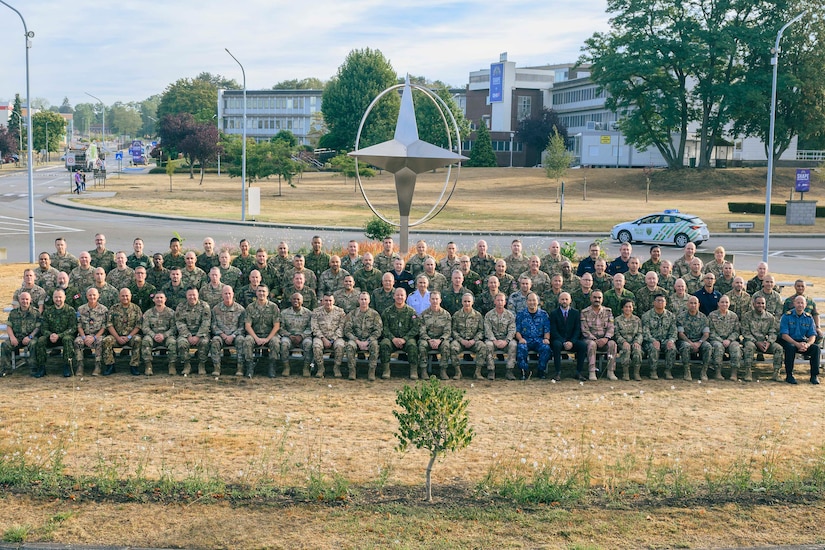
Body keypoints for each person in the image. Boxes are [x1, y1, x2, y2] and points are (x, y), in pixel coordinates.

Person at [740, 295, 784, 382]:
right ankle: (748, 372)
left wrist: (769, 342)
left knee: (778, 348)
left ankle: (776, 373)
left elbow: (773, 332)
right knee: (749, 346)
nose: (760, 305)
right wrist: (756, 342)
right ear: (754, 304)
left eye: (762, 303)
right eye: (758, 303)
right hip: (751, 341)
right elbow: (745, 332)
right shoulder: (747, 316)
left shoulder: (770, 317)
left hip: (765, 343)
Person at [779, 295, 821, 385]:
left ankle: (814, 376)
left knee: (816, 349)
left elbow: (812, 335)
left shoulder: (809, 318)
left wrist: (807, 345)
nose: (800, 305)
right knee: (790, 348)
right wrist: (796, 344)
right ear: (794, 303)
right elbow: (784, 335)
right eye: (798, 303)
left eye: (802, 303)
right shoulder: (786, 316)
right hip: (789, 341)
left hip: (802, 342)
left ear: (805, 305)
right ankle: (789, 375)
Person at [379, 287, 419, 380]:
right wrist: (393, 338)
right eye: (397, 295)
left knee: (412, 345)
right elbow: (384, 328)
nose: (399, 297)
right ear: (394, 296)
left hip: (406, 339)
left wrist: (404, 339)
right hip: (391, 339)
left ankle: (413, 370)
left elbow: (415, 328)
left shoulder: (411, 312)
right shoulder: (387, 312)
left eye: (402, 295)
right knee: (384, 344)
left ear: (405, 297)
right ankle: (386, 370)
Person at [35, 288, 76, 377]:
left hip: (64, 337)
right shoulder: (48, 311)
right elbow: (43, 328)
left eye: (60, 297)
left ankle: (67, 366)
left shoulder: (70, 310)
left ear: (64, 297)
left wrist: (59, 335)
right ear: (53, 298)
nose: (58, 299)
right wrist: (50, 335)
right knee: (41, 340)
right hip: (51, 337)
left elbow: (72, 328)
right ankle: (41, 367)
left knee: (67, 339)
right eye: (56, 297)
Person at [210, 285, 249, 377]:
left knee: (241, 340)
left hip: (235, 336)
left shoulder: (240, 309)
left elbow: (242, 327)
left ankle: (240, 368)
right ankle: (216, 367)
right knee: (215, 341)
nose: (228, 296)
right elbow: (213, 326)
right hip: (221, 335)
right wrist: (223, 335)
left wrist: (233, 336)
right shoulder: (216, 309)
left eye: (229, 293)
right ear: (222, 295)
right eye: (225, 294)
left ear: (233, 294)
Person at [103, 287, 143, 376]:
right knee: (106, 341)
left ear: (131, 296)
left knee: (137, 340)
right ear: (119, 297)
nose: (125, 298)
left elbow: (138, 325)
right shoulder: (113, 308)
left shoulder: (136, 308)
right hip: (116, 336)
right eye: (123, 296)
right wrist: (117, 337)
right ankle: (110, 366)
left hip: (131, 336)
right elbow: (109, 324)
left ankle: (134, 366)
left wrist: (129, 337)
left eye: (127, 296)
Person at [344, 292, 383, 380]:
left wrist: (367, 341)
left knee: (375, 345)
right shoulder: (352, 314)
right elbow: (347, 330)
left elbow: (378, 330)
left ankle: (371, 371)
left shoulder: (374, 314)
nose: (363, 301)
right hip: (355, 340)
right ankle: (352, 371)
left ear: (369, 301)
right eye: (362, 299)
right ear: (358, 301)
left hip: (369, 340)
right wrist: (357, 341)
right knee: (350, 346)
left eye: (365, 299)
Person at [243, 286, 281, 378]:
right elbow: (247, 326)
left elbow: (277, 325)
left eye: (263, 291)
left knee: (275, 342)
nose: (261, 293)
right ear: (256, 293)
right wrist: (256, 338)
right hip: (255, 335)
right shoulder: (250, 307)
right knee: (248, 341)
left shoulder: (273, 307)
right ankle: (249, 368)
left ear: (267, 293)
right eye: (259, 291)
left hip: (270, 335)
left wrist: (268, 339)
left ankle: (272, 367)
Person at [550, 292, 588, 380]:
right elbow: (553, 330)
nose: (564, 301)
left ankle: (579, 372)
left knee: (582, 346)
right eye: (562, 299)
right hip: (559, 340)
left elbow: (577, 329)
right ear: (559, 300)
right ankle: (557, 372)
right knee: (556, 345)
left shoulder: (575, 313)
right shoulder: (554, 313)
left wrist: (571, 342)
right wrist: (563, 342)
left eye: (566, 299)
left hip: (572, 340)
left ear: (570, 301)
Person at [580, 290, 617, 380]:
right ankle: (592, 372)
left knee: (612, 344)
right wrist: (595, 340)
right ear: (590, 298)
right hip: (590, 339)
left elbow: (611, 327)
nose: (597, 299)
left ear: (602, 299)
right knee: (592, 344)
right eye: (595, 297)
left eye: (599, 297)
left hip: (605, 339)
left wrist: (606, 338)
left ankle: (610, 371)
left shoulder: (608, 311)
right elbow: (584, 330)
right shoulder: (584, 312)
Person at [450, 293, 488, 380]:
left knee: (482, 346)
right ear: (462, 302)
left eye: (469, 301)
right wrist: (460, 340)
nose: (467, 303)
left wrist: (474, 340)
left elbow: (481, 331)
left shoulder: (478, 316)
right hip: (460, 341)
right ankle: (458, 372)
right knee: (453, 347)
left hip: (473, 341)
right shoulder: (456, 315)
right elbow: (453, 331)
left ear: (472, 302)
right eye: (465, 301)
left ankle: (478, 372)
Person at [175, 287, 212, 376]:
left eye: (194, 295)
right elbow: (179, 322)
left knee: (204, 342)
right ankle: (187, 365)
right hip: (186, 334)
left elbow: (206, 322)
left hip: (201, 334)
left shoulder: (204, 306)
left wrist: (198, 336)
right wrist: (188, 336)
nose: (192, 297)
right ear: (186, 296)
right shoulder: (181, 306)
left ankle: (201, 364)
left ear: (198, 295)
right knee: (182, 343)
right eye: (190, 295)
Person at [74, 287, 110, 377]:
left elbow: (104, 326)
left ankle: (98, 366)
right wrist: (84, 337)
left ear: (98, 296)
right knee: (77, 342)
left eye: (94, 295)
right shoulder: (81, 309)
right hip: (84, 335)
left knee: (100, 341)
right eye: (90, 295)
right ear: (86, 296)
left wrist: (94, 337)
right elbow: (79, 325)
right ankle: (80, 365)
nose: (92, 297)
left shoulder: (104, 309)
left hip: (98, 335)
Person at [2, 292, 40, 376]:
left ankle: (34, 367)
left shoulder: (35, 313)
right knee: (5, 345)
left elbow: (38, 328)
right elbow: (9, 326)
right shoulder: (13, 313)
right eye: (22, 299)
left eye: (27, 299)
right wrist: (12, 337)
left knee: (34, 344)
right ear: (19, 300)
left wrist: (30, 337)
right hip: (17, 338)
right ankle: (6, 369)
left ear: (30, 300)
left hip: (30, 337)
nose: (24, 301)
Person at [515, 292, 551, 380]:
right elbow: (517, 331)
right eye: (530, 300)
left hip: (539, 339)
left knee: (546, 348)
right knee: (521, 348)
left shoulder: (543, 314)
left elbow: (547, 330)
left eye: (534, 300)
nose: (532, 302)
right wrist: (520, 339)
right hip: (525, 339)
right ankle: (524, 371)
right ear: (526, 302)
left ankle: (541, 371)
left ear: (538, 301)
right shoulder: (521, 314)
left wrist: (546, 338)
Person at [141, 291, 178, 376]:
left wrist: (164, 335)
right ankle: (148, 365)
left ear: (165, 299)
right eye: (157, 298)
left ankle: (172, 365)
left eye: (161, 298)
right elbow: (145, 327)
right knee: (146, 340)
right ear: (153, 300)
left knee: (172, 342)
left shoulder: (171, 313)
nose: (159, 299)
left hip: (166, 337)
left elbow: (174, 328)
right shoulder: (148, 313)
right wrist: (154, 335)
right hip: (153, 336)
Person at [642, 294, 678, 380]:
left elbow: (673, 331)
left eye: (662, 301)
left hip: (665, 340)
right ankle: (653, 371)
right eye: (658, 300)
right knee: (653, 348)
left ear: (665, 303)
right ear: (654, 303)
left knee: (672, 348)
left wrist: (671, 340)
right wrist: (653, 340)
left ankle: (668, 371)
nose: (660, 302)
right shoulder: (646, 316)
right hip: (651, 341)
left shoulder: (671, 316)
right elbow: (645, 332)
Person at [418, 291, 452, 380]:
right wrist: (429, 340)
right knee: (422, 345)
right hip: (427, 339)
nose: (435, 301)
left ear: (440, 300)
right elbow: (422, 331)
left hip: (440, 340)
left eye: (436, 299)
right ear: (429, 300)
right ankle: (423, 371)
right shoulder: (424, 314)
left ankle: (443, 370)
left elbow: (447, 332)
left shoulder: (446, 315)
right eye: (433, 299)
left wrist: (440, 340)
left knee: (446, 346)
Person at [311, 294, 346, 378]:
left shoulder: (340, 312)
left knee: (340, 345)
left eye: (330, 300)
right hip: (321, 337)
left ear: (333, 301)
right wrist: (323, 339)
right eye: (326, 300)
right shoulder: (316, 312)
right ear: (322, 301)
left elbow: (342, 327)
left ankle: (336, 367)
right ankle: (320, 368)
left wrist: (333, 339)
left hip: (336, 337)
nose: (328, 302)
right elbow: (314, 327)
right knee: (316, 345)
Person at [677, 296, 712, 381]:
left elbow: (706, 334)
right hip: (685, 341)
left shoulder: (703, 318)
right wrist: (690, 343)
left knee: (708, 346)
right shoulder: (681, 317)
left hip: (699, 341)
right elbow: (681, 334)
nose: (693, 305)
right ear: (687, 304)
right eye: (691, 303)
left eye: (695, 303)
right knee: (685, 346)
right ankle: (687, 371)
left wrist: (699, 343)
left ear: (698, 305)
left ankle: (704, 371)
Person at [278, 292, 313, 377]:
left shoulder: (308, 313)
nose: (296, 301)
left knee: (308, 344)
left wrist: (302, 336)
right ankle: (286, 367)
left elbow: (311, 328)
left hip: (303, 337)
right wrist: (289, 335)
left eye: (298, 299)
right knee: (284, 343)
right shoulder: (284, 313)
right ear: (291, 300)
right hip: (289, 337)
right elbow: (281, 328)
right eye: (294, 299)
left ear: (302, 301)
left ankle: (306, 368)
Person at [485, 292, 517, 380]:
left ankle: (509, 371)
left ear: (505, 302)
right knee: (488, 345)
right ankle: (491, 371)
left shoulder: (510, 315)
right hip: (493, 340)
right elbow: (488, 330)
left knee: (513, 345)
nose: (500, 302)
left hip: (505, 340)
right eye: (498, 300)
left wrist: (506, 341)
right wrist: (494, 340)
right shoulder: (489, 315)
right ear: (494, 301)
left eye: (502, 300)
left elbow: (512, 330)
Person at [708, 295, 741, 381]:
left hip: (730, 340)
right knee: (718, 347)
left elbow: (737, 331)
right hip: (717, 340)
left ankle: (734, 373)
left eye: (726, 302)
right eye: (722, 302)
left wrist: (729, 340)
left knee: (736, 347)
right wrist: (721, 341)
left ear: (729, 304)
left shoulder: (734, 316)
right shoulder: (712, 315)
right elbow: (710, 331)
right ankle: (718, 372)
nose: (724, 304)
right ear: (718, 303)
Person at [782, 280, 823, 345]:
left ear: (805, 287)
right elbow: (784, 315)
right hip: (793, 326)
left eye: (802, 286)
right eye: (798, 286)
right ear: (795, 287)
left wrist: (817, 327)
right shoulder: (789, 300)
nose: (800, 288)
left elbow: (815, 314)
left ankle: (809, 350)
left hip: (807, 326)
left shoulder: (810, 301)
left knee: (819, 335)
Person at [614, 299, 643, 381]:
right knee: (626, 349)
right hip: (622, 343)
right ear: (622, 308)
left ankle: (636, 373)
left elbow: (640, 333)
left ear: (633, 308)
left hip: (634, 342)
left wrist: (637, 342)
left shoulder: (637, 320)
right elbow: (616, 334)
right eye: (626, 307)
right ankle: (625, 373)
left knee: (637, 350)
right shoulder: (617, 320)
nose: (628, 309)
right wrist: (623, 342)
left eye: (630, 307)